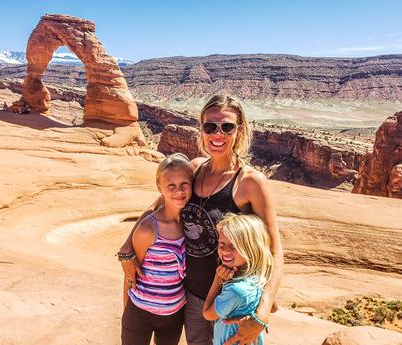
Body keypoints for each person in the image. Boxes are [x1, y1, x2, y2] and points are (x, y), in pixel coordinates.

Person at [119, 95, 283, 345]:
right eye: (210, 127)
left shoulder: (250, 182)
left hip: (232, 300)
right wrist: (127, 247)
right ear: (201, 130)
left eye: (227, 126)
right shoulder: (194, 169)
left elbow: (274, 249)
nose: (218, 134)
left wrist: (263, 310)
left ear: (239, 130)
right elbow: (157, 208)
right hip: (193, 297)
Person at [121, 153, 193, 345]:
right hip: (140, 313)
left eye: (184, 184)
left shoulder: (191, 224)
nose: (179, 191)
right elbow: (130, 273)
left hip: (174, 315)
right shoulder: (148, 229)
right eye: (171, 186)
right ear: (159, 188)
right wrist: (126, 313)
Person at [202, 213, 273, 345]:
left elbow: (207, 313)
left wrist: (218, 278)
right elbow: (273, 307)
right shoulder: (260, 277)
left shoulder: (236, 290)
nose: (224, 249)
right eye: (221, 242)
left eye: (234, 245)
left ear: (252, 249)